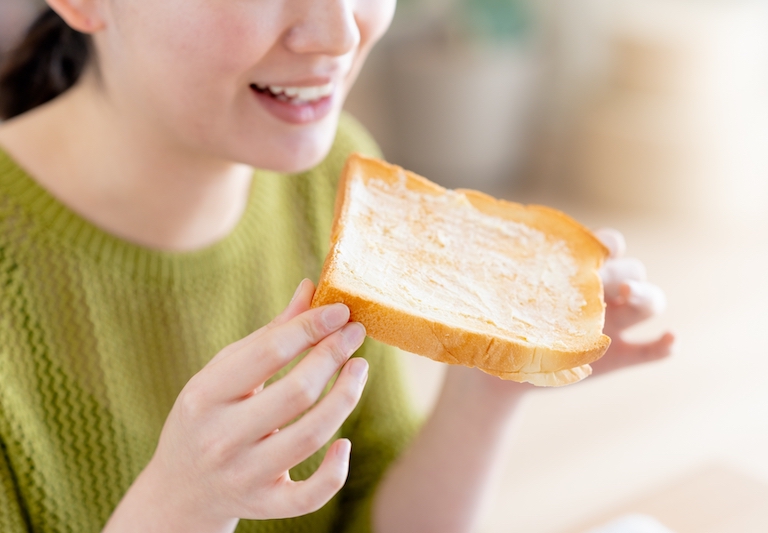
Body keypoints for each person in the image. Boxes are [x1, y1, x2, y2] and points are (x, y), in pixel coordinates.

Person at [0, 1, 675, 532]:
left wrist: (486, 389)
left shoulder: (334, 180)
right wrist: (181, 505)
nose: (338, 32)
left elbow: (370, 516)